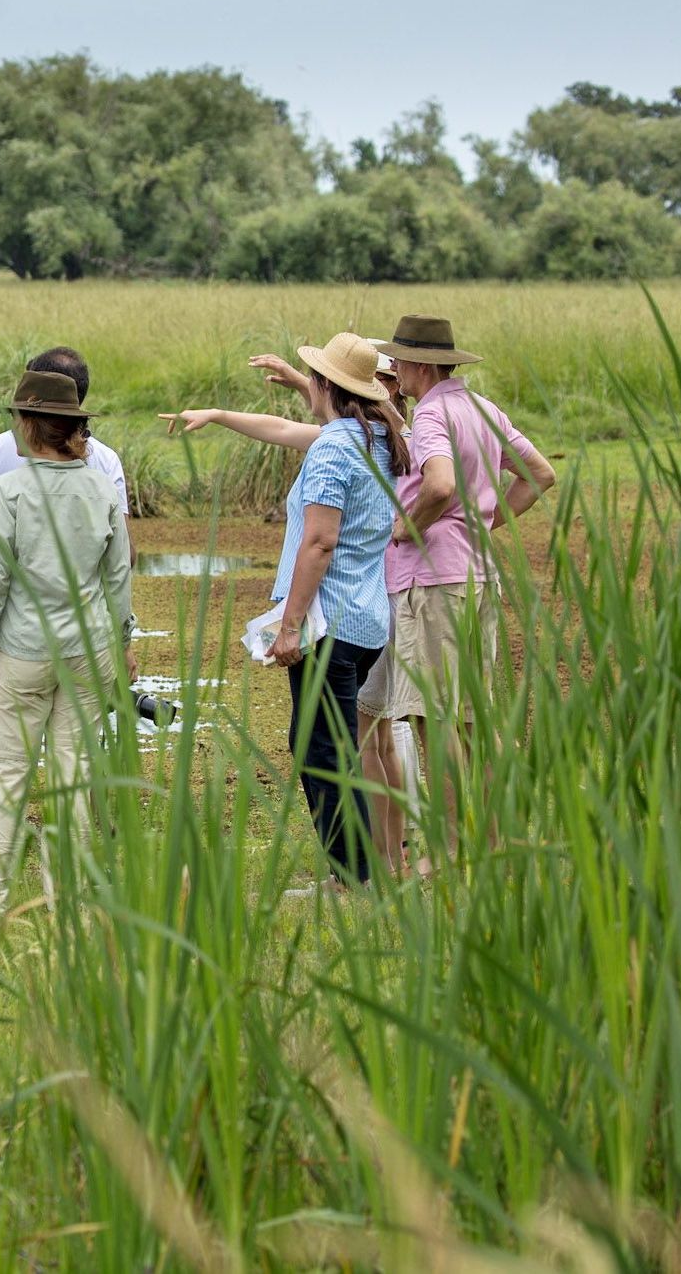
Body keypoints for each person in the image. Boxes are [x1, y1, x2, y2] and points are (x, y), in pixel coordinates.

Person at [164, 333, 406, 887]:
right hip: (367, 623)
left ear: (325, 385)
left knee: (324, 751)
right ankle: (359, 870)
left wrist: (290, 625)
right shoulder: (379, 439)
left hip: (331, 625)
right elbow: (283, 431)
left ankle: (354, 876)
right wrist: (222, 414)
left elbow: (319, 543)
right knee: (328, 742)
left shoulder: (334, 448)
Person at [0, 369, 133, 923]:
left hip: (24, 647)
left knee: (8, 771)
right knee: (74, 771)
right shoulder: (102, 487)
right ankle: (68, 898)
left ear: (29, 427)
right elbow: (118, 575)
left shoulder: (11, 489)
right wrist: (125, 640)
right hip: (88, 647)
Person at [375, 314, 555, 863]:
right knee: (475, 717)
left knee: (437, 718)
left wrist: (411, 525)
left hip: (433, 579)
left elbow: (441, 483)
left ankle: (450, 849)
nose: (396, 370)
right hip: (477, 574)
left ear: (422, 365)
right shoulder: (482, 407)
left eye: (400, 360)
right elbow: (539, 474)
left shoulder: (430, 413)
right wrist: (482, 524)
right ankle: (503, 837)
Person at [0, 347, 133, 667]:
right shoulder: (104, 465)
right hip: (86, 641)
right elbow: (124, 559)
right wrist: (122, 640)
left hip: (17, 639)